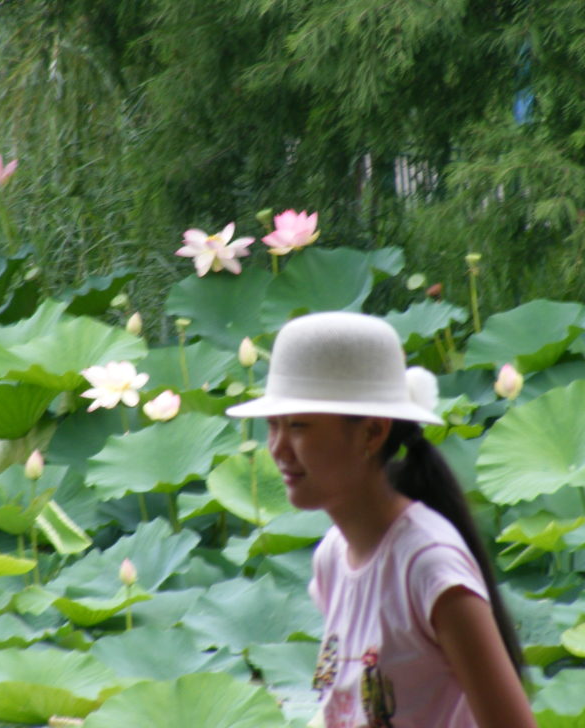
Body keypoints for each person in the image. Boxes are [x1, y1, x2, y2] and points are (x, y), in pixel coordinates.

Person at [227, 311, 537, 728]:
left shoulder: (429, 564)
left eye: (298, 426)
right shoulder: (333, 556)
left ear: (372, 433)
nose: (278, 449)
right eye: (272, 426)